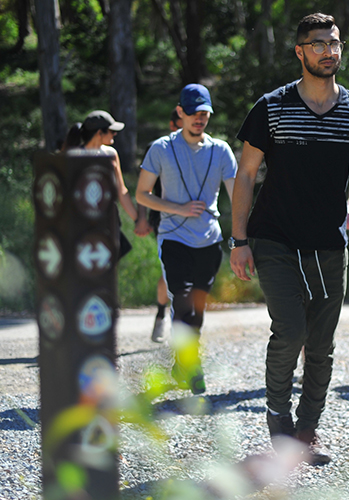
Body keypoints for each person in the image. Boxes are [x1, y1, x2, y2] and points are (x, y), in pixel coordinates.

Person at [230, 13, 349, 464]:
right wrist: (239, 240)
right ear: (299, 52)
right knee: (291, 330)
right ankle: (278, 427)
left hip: (328, 243)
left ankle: (306, 432)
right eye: (317, 45)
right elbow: (246, 174)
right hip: (274, 237)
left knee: (321, 343)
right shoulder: (271, 107)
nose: (328, 52)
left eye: (334, 44)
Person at [136, 84, 237, 394]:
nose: (199, 119)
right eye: (193, 113)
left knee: (197, 310)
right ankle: (193, 367)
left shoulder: (221, 151)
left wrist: (243, 238)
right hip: (174, 239)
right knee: (181, 304)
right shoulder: (161, 149)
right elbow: (142, 194)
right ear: (180, 112)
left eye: (204, 113)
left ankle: (182, 364)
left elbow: (238, 196)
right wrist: (176, 207)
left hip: (210, 241)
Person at [62, 110, 150, 258]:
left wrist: (138, 220)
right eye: (111, 131)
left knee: (108, 273)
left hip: (109, 223)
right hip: (82, 225)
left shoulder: (112, 154)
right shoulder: (73, 157)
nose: (115, 134)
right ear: (99, 133)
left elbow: (122, 191)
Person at [138, 108, 184, 343]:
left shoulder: (202, 149)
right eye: (179, 124)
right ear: (172, 124)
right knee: (169, 270)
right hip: (163, 219)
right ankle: (161, 315)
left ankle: (184, 323)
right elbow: (143, 188)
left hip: (194, 221)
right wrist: (142, 217)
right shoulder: (158, 148)